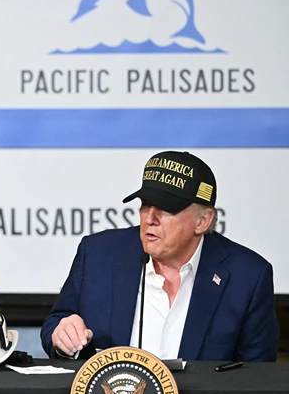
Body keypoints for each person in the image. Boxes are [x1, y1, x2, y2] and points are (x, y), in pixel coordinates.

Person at [41, 151, 279, 362]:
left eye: (166, 208)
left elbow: (255, 377)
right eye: (145, 204)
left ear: (202, 221)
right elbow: (57, 323)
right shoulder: (98, 254)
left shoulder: (247, 277)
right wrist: (64, 338)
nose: (150, 218)